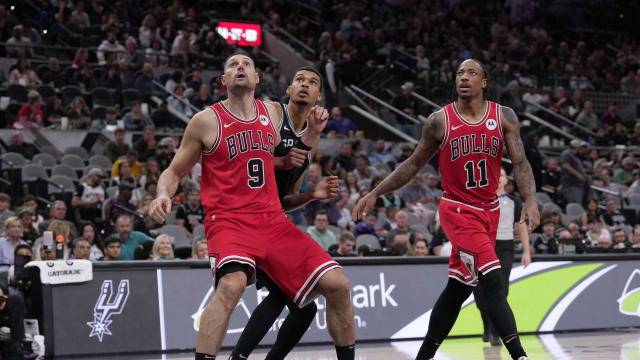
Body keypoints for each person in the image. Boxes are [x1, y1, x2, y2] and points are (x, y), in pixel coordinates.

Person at [149, 53, 355, 360]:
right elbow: (174, 172)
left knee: (337, 283)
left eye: (246, 64)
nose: (240, 67)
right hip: (229, 220)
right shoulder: (205, 120)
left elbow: (274, 159)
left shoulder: (272, 112)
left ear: (258, 78)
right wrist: (163, 193)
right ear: (224, 80)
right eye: (232, 64)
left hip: (272, 219)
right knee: (232, 285)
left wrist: (303, 142)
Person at [352, 59, 539, 360]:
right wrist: (375, 192)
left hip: (489, 211)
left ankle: (423, 356)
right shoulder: (439, 120)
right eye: (459, 74)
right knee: (493, 280)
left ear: (484, 82)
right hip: (458, 210)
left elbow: (520, 162)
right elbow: (413, 163)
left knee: (458, 289)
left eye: (471, 73)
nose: (464, 78)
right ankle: (520, 355)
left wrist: (530, 199)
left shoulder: (503, 116)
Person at [473, 167, 532, 346]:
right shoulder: (480, 199)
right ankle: (486, 326)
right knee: (480, 291)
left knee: (500, 289)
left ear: (507, 180)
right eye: (495, 175)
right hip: (484, 246)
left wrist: (526, 251)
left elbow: (521, 226)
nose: (498, 178)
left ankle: (495, 331)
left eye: (502, 175)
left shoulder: (514, 202)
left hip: (505, 247)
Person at [560, 139, 588, 205]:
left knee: (578, 204)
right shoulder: (567, 154)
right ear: (577, 148)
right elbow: (565, 165)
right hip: (571, 185)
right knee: (575, 204)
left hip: (577, 185)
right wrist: (578, 175)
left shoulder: (575, 156)